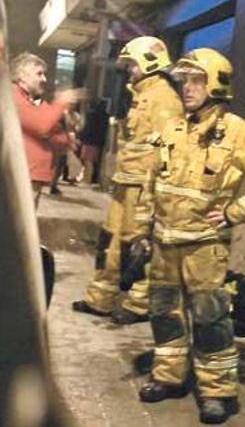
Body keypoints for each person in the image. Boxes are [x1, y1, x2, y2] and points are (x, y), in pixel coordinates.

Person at [139, 48, 245, 425]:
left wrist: (236, 213)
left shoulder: (235, 131)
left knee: (210, 321)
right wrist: (142, 228)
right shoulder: (172, 127)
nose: (187, 87)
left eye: (196, 79)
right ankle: (167, 377)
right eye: (185, 79)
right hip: (164, 245)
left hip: (205, 247)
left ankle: (217, 393)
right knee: (164, 314)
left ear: (215, 83)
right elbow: (151, 181)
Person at [72, 36, 183, 324]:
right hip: (126, 183)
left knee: (138, 247)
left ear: (148, 62)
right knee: (110, 242)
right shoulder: (142, 94)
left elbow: (169, 149)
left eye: (132, 64)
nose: (129, 70)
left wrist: (157, 192)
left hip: (143, 188)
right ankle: (100, 299)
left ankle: (139, 304)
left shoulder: (164, 99)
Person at [10, 52, 82, 208]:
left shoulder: (29, 100)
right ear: (22, 76)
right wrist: (61, 102)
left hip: (29, 176)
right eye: (39, 74)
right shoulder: (13, 96)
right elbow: (42, 126)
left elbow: (55, 135)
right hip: (21, 177)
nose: (44, 79)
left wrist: (66, 140)